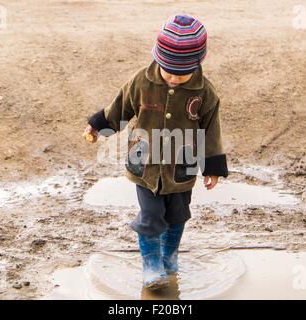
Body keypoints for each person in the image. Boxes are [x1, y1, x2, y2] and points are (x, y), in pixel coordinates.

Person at [84, 14, 228, 290]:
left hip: (182, 169)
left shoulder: (205, 93)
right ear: (158, 58)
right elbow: (120, 109)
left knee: (177, 216)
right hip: (145, 165)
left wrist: (212, 167)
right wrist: (97, 127)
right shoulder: (142, 81)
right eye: (168, 70)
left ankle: (169, 258)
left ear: (197, 63)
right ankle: (151, 266)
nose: (173, 77)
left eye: (181, 72)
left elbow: (211, 130)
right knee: (150, 217)